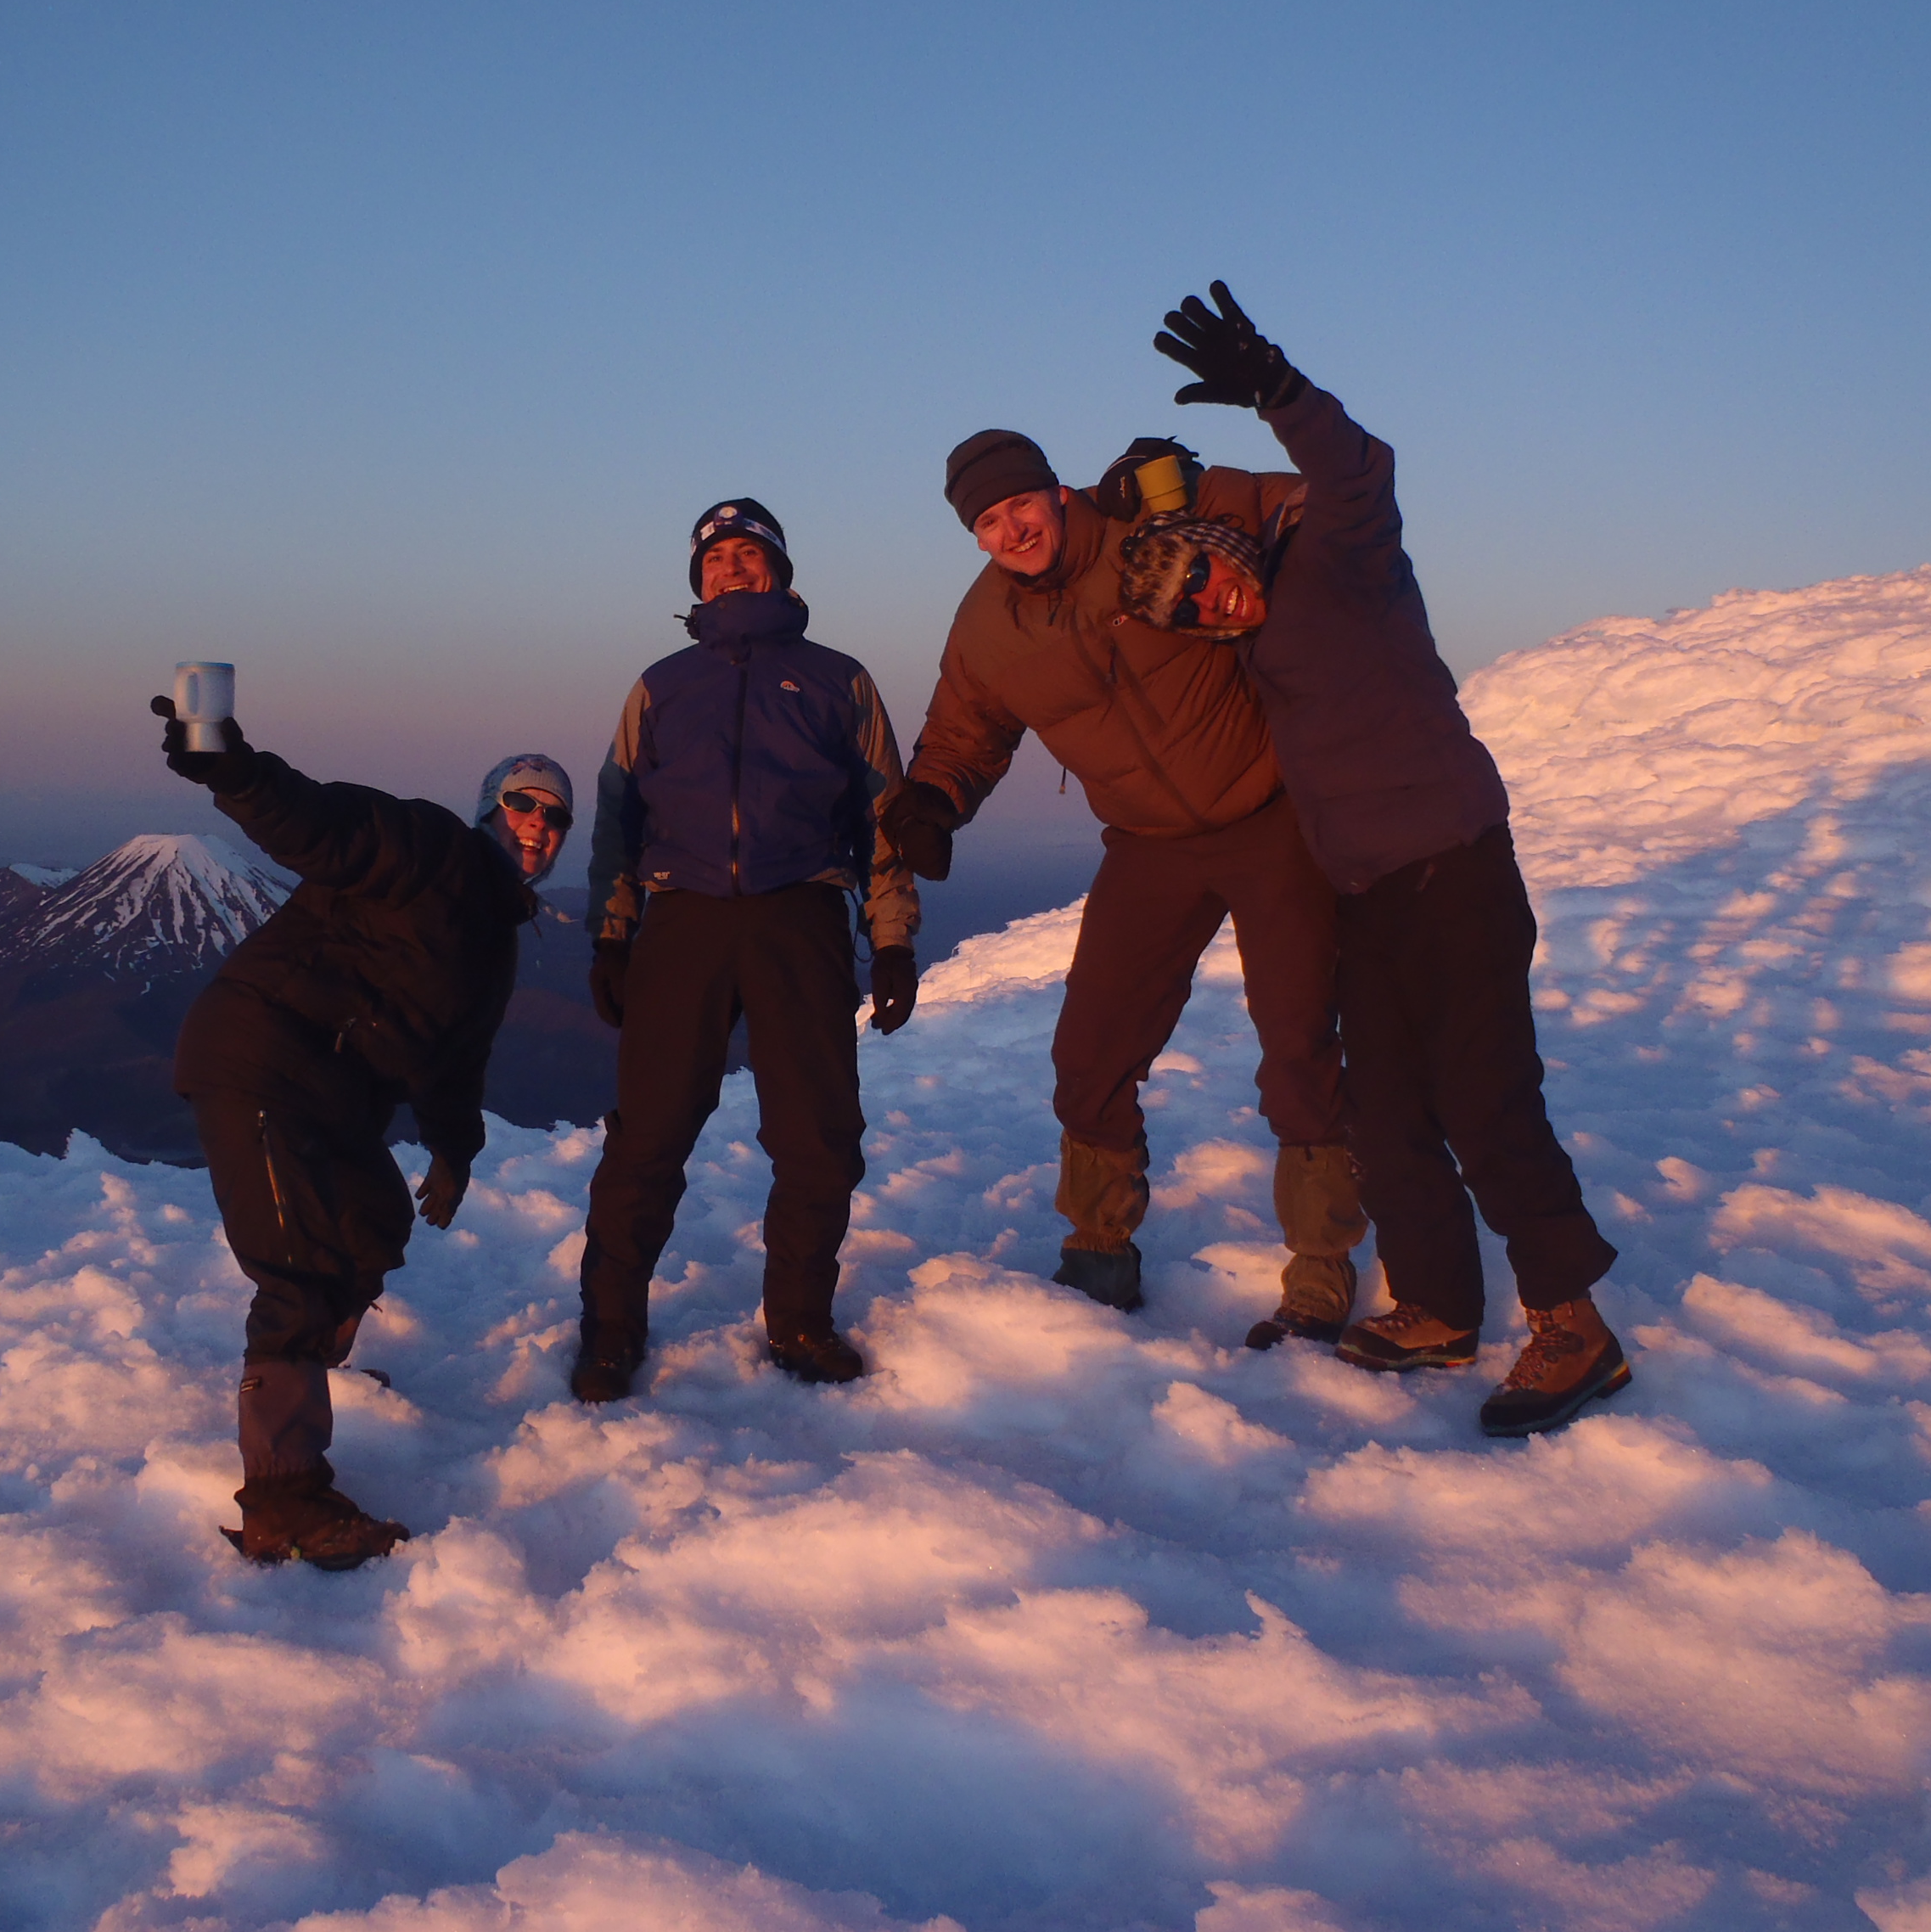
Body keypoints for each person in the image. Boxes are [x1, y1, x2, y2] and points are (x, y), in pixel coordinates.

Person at [1119, 281, 1631, 1436]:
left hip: (1453, 863)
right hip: (1370, 893)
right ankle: (1438, 1307)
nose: (1208, 604)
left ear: (1225, 549)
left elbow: (1361, 473)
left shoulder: (1337, 559)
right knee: (1390, 1111)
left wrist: (1278, 388)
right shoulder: (1255, 647)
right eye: (1187, 610)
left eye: (1202, 576)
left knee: (1485, 1099)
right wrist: (1141, 501)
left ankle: (1572, 1323)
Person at [884, 423, 1357, 1330]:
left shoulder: (1148, 519)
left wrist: (1207, 492)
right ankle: (1100, 1250)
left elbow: (1303, 504)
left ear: (1057, 493)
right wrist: (934, 803)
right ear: (975, 538)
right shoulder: (987, 625)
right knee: (1092, 1050)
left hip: (1269, 814)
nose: (1012, 530)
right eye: (988, 522)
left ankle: (1321, 1267)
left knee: (1299, 1040)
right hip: (1148, 844)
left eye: (1020, 504)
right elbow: (962, 732)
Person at [152, 698, 570, 1564]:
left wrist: (454, 1150)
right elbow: (323, 825)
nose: (539, 823)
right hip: (263, 1057)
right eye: (523, 803)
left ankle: (308, 1377)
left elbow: (455, 1063)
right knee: (300, 1268)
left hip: (330, 1092)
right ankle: (284, 1498)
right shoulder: (432, 848)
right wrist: (233, 769)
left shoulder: (493, 942)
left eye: (556, 815)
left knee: (370, 1223)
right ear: (489, 810)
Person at [575, 498, 920, 1402]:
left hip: (800, 916)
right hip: (682, 921)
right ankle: (610, 1331)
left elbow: (886, 815)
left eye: (747, 554)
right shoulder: (661, 685)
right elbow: (618, 817)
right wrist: (612, 933)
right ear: (699, 581)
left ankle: (801, 1321)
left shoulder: (840, 680)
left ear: (779, 570)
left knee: (817, 1136)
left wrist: (891, 938)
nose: (731, 568)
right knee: (647, 1138)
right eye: (715, 559)